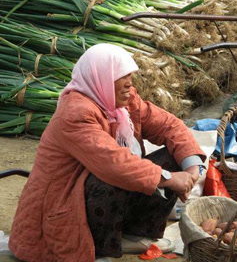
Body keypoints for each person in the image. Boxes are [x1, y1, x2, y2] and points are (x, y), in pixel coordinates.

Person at [8, 43, 206, 262]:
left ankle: (133, 234)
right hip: (63, 205)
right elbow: (114, 163)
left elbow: (169, 126)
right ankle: (101, 246)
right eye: (120, 77)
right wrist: (169, 179)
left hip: (95, 193)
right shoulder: (76, 113)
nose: (129, 84)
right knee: (115, 177)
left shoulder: (125, 102)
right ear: (99, 77)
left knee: (172, 157)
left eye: (129, 75)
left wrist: (191, 169)